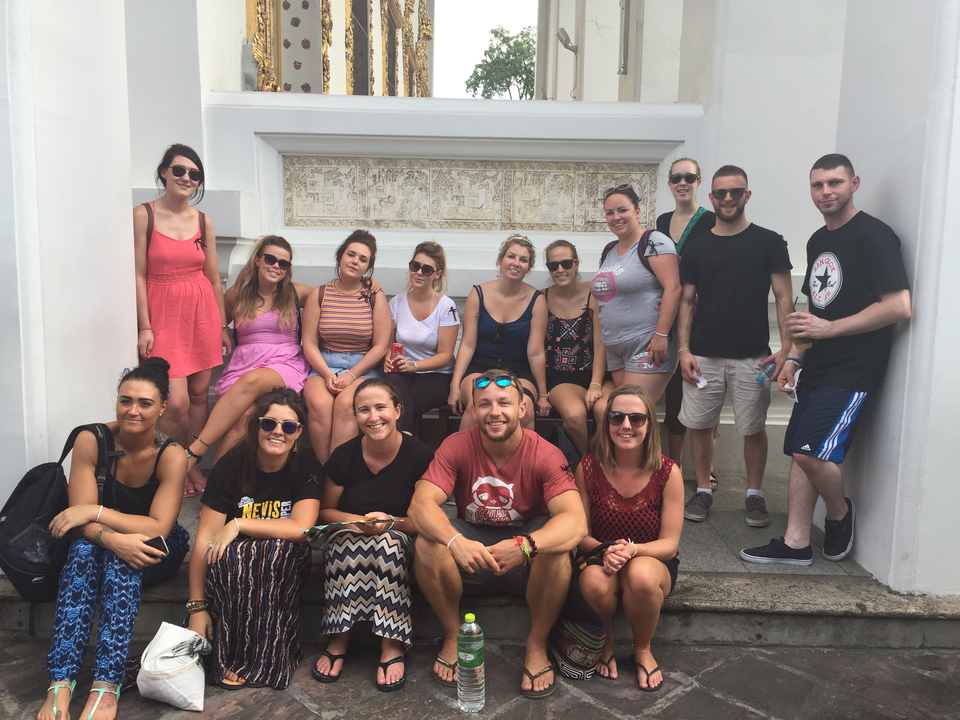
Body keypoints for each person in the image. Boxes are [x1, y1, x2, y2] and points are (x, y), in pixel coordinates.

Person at [741, 154, 911, 565]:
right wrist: (794, 358)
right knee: (800, 449)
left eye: (834, 183)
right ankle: (796, 542)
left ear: (854, 183)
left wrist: (830, 331)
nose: (826, 192)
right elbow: (814, 310)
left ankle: (839, 512)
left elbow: (900, 306)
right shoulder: (819, 240)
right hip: (816, 366)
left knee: (809, 453)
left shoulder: (875, 235)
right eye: (818, 185)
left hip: (853, 369)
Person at [410, 370, 587, 700]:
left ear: (521, 409)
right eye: (485, 404)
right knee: (427, 543)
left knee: (558, 548)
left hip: (525, 556)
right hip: (471, 551)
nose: (495, 412)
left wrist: (526, 545)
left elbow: (576, 522)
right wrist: (454, 541)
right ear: (473, 411)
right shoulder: (456, 445)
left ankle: (536, 643)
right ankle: (452, 634)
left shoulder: (545, 453)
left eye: (504, 403)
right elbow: (420, 505)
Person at [38, 358, 187, 720]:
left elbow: (157, 529)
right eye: (125, 401)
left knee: (120, 561)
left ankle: (106, 681)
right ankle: (61, 680)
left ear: (163, 407)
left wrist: (96, 513)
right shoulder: (91, 439)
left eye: (145, 403)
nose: (132, 411)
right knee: (85, 554)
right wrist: (112, 537)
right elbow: (77, 522)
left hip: (158, 548)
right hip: (97, 543)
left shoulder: (172, 455)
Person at [677, 165, 793, 528]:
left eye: (736, 192)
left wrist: (787, 349)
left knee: (753, 427)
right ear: (710, 197)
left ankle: (754, 494)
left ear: (747, 195)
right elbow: (685, 302)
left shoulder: (769, 241)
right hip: (703, 355)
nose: (729, 198)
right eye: (721, 193)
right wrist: (683, 349)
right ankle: (703, 488)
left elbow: (785, 295)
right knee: (699, 425)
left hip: (754, 357)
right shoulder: (697, 248)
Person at [188, 388, 322, 690]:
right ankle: (233, 654)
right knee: (235, 558)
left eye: (288, 426)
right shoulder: (230, 465)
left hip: (284, 558)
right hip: (232, 564)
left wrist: (238, 523)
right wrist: (197, 607)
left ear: (299, 432)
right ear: (255, 425)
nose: (278, 432)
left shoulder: (308, 469)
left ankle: (269, 657)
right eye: (268, 423)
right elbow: (205, 539)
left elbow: (301, 529)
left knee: (272, 552)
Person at [313, 379, 434, 691]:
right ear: (355, 416)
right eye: (363, 410)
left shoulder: (419, 455)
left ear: (397, 410)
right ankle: (339, 637)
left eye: (380, 407)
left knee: (388, 546)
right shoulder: (344, 455)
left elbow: (424, 520)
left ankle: (391, 642)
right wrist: (360, 521)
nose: (373, 416)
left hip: (399, 534)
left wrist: (388, 522)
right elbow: (326, 511)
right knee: (341, 546)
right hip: (350, 531)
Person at [134, 144, 232, 497]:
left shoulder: (203, 221)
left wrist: (222, 326)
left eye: (194, 174)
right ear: (164, 172)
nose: (186, 178)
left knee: (197, 395)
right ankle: (171, 465)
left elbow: (214, 277)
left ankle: (189, 466)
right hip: (162, 312)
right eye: (179, 170)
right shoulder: (143, 215)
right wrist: (144, 325)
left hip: (200, 311)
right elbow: (138, 273)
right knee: (173, 402)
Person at [575, 385, 683, 691]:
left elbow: (669, 544)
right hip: (599, 556)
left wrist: (631, 551)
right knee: (594, 581)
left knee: (642, 576)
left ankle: (643, 649)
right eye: (617, 417)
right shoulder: (587, 468)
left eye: (636, 418)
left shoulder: (668, 472)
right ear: (606, 422)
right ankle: (604, 641)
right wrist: (606, 551)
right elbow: (579, 533)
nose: (626, 425)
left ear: (649, 424)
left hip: (651, 560)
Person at [183, 236, 311, 474]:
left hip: (285, 364)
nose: (276, 266)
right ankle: (217, 490)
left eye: (284, 264)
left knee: (253, 380)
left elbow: (337, 295)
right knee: (244, 417)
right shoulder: (237, 294)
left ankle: (193, 453)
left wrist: (369, 286)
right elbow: (214, 324)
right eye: (271, 259)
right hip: (244, 365)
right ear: (257, 260)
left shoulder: (296, 293)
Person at [590, 184, 681, 418]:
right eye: (609, 213)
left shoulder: (654, 241)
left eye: (623, 210)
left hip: (647, 345)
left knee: (634, 416)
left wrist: (661, 336)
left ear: (637, 211)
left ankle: (653, 457)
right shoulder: (609, 250)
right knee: (624, 420)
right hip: (615, 350)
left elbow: (674, 287)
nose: (616, 217)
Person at [302, 231, 391, 463]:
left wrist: (351, 375)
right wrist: (326, 373)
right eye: (351, 254)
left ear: (367, 268)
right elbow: (309, 343)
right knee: (319, 404)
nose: (355, 261)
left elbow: (381, 346)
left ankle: (337, 476)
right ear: (340, 257)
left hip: (363, 367)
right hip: (324, 363)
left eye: (363, 259)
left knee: (346, 405)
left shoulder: (374, 296)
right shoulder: (319, 294)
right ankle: (326, 471)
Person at [448, 235, 551, 433]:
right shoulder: (478, 293)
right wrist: (454, 385)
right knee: (478, 404)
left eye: (523, 260)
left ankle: (522, 463)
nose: (516, 263)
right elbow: (468, 344)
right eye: (511, 257)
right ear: (500, 260)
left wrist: (543, 394)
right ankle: (462, 461)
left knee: (526, 410)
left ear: (529, 267)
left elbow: (536, 352)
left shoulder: (537, 300)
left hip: (519, 371)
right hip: (479, 367)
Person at [656, 159, 718, 479]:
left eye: (689, 177)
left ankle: (706, 469)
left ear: (698, 182)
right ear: (669, 183)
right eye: (676, 178)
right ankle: (674, 465)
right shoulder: (662, 220)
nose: (683, 182)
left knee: (704, 388)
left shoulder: (711, 220)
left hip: (703, 317)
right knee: (675, 394)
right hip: (669, 314)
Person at [384, 242, 460, 433]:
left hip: (437, 374)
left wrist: (414, 366)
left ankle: (404, 441)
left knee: (396, 404)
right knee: (391, 395)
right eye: (415, 266)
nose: (419, 272)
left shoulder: (446, 306)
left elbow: (445, 355)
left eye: (427, 269)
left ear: (437, 274)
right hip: (402, 370)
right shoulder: (396, 302)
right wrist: (386, 357)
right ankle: (405, 442)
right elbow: (386, 343)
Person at [542, 240, 606, 454]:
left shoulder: (592, 296)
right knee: (574, 415)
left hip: (596, 375)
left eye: (566, 263)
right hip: (561, 377)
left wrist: (596, 384)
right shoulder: (541, 298)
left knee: (607, 411)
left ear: (576, 264)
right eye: (553, 265)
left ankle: (606, 468)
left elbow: (600, 344)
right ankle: (583, 469)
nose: (560, 270)